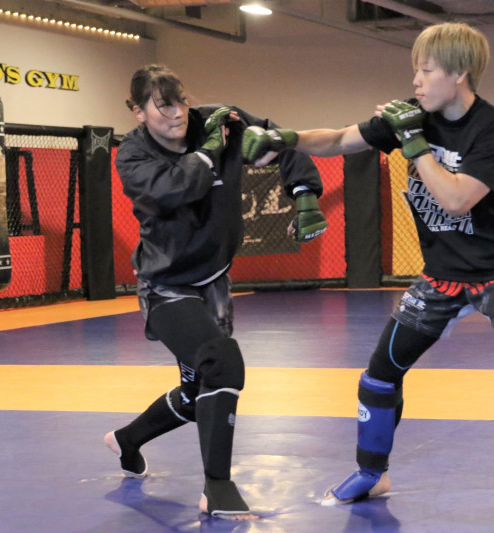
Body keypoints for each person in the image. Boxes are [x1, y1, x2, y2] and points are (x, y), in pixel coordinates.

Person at [241, 22, 494, 530]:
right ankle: (371, 473)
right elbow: (338, 138)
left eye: (425, 70)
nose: (416, 81)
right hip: (441, 275)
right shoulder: (411, 116)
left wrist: (414, 142)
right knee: (380, 374)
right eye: (414, 71)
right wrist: (285, 138)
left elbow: (457, 198)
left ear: (459, 73)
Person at [107, 64, 326, 521]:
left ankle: (127, 440)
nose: (177, 113)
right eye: (163, 106)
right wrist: (209, 152)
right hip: (166, 287)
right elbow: (175, 189)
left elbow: (278, 141)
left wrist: (305, 196)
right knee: (223, 362)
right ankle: (218, 487)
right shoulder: (132, 154)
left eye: (181, 101)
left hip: (215, 281)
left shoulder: (220, 121)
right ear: (138, 112)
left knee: (197, 394)